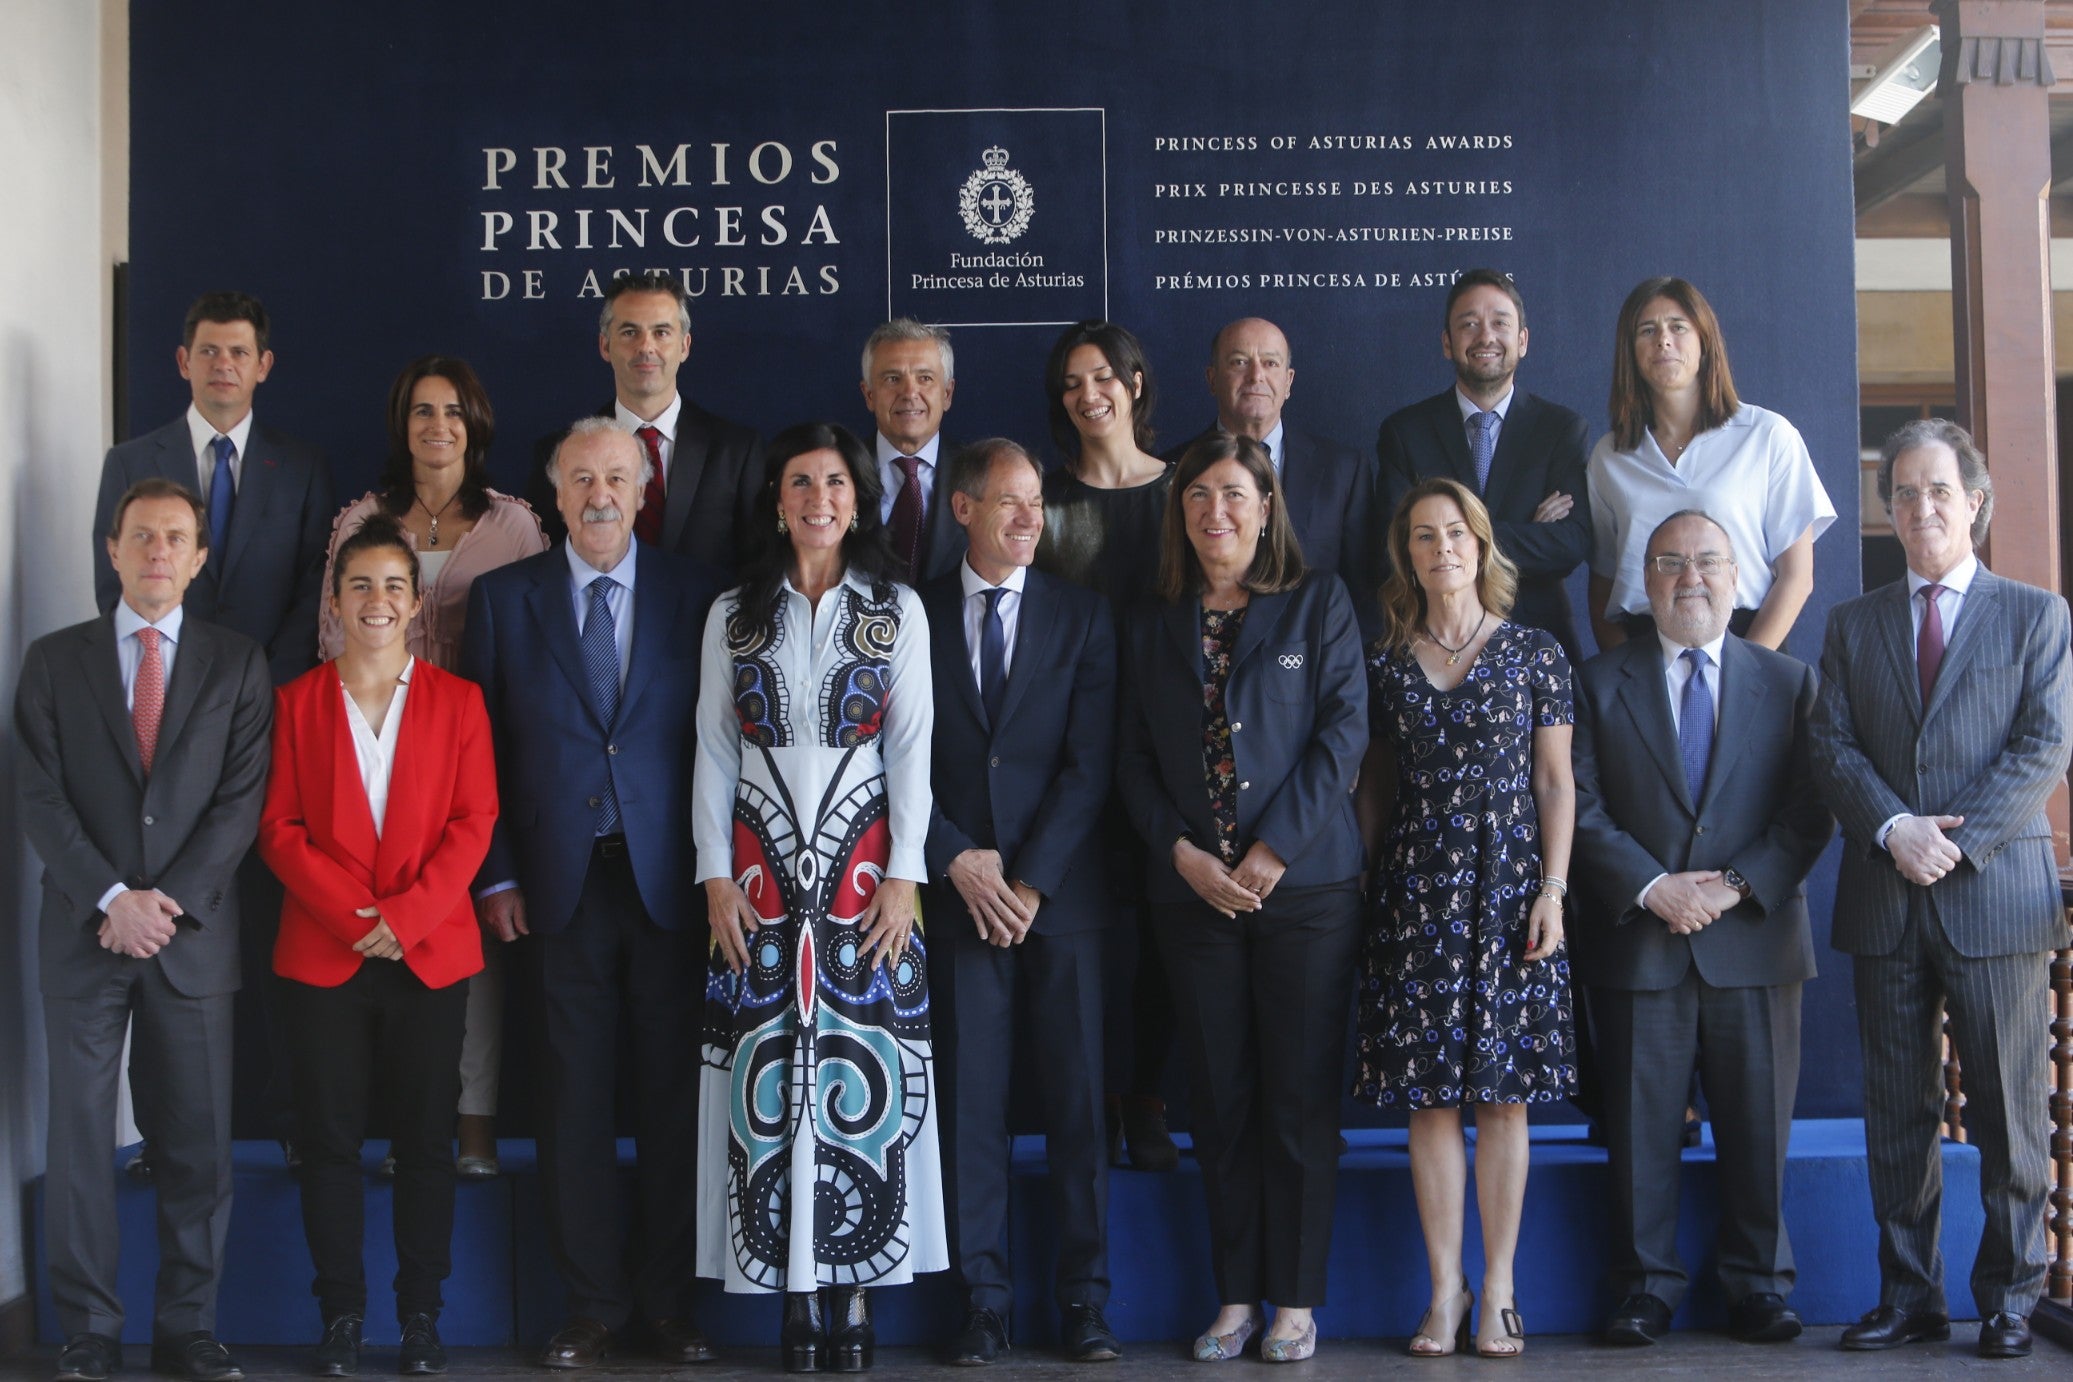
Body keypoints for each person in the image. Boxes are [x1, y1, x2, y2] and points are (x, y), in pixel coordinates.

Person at [460, 418, 725, 1370]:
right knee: (569, 1104)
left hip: (670, 888)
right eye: (582, 478)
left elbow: (722, 747)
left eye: (617, 476)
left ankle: (666, 1305)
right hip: (551, 886)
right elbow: (474, 748)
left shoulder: (699, 596)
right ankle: (589, 1307)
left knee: (671, 1105)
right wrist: (493, 872)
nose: (601, 494)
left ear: (642, 488)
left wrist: (718, 874)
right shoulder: (502, 600)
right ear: (556, 490)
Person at [1809, 419, 2072, 1362]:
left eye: (1937, 492)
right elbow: (1829, 747)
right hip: (1885, 897)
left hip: (1995, 900)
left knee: (2009, 1115)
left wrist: (1949, 846)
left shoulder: (2034, 615)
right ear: (1888, 512)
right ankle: (1908, 1293)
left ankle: (2009, 1297)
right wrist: (1892, 829)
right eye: (1903, 493)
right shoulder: (1853, 622)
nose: (1920, 507)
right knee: (1897, 1112)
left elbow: (2043, 747)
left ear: (1975, 505)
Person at [693, 422, 946, 1372]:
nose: (818, 498)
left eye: (835, 481)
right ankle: (789, 1298)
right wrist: (713, 872)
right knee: (771, 1082)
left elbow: (913, 746)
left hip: (864, 871)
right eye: (800, 481)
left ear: (858, 496)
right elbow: (714, 747)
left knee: (856, 1076)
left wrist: (906, 877)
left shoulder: (896, 607)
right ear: (776, 498)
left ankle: (851, 1295)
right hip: (759, 867)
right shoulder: (733, 612)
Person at [1115, 433, 1366, 1364]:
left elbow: (1344, 735)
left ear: (1266, 507)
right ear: (1178, 514)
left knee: (1298, 1103)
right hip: (1193, 895)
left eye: (1233, 495)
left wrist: (1271, 852)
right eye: (1196, 498)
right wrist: (1181, 855)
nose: (1214, 513)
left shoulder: (1318, 601)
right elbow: (1129, 760)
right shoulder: (1151, 617)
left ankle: (1295, 1301)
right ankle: (1233, 1298)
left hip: (1303, 892)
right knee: (1218, 1101)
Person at [20, 478, 272, 1382]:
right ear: (113, 550)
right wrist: (111, 898)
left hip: (190, 939)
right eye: (141, 537)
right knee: (82, 1143)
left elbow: (240, 803)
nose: (158, 551)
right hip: (86, 936)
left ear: (199, 559)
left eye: (176, 537)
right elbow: (40, 797)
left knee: (197, 1145)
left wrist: (162, 905)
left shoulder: (239, 664)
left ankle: (187, 1327)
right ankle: (88, 1330)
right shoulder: (54, 661)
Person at [1570, 510, 1833, 1348]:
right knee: (1640, 1134)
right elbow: (1574, 803)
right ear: (1643, 581)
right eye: (1671, 562)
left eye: (1709, 562)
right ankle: (1643, 1288)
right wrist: (1650, 887)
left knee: (1759, 1130)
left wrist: (1732, 886)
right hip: (1638, 940)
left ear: (1739, 578)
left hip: (1752, 940)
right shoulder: (1595, 681)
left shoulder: (1788, 682)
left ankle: (1758, 1286)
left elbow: (1808, 811)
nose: (1691, 577)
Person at [91, 290, 334, 1173]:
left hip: (266, 727)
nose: (224, 365)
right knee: (172, 938)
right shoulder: (131, 460)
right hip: (160, 740)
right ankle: (166, 1138)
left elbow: (315, 594)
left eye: (240, 352)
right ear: (181, 361)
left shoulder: (301, 467)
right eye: (209, 351)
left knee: (270, 930)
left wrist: (247, 697)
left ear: (263, 366)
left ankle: (280, 1123)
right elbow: (111, 588)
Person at [260, 515, 498, 1377]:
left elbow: (475, 824)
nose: (377, 600)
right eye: (360, 584)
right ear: (334, 601)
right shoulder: (292, 704)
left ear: (416, 601)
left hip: (429, 954)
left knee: (427, 1141)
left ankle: (422, 1317)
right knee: (329, 1143)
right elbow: (279, 830)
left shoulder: (459, 702)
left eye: (394, 585)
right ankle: (343, 1318)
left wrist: (408, 917)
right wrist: (360, 917)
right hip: (324, 958)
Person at [1354, 476, 1574, 1359]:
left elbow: (1555, 783)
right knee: (1429, 1105)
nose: (1439, 548)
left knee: (1503, 1100)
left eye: (1453, 533)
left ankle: (1503, 1290)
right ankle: (1444, 1290)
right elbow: (1372, 787)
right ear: (1404, 553)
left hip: (1511, 891)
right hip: (1415, 892)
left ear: (1480, 546)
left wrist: (1552, 889)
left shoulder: (1534, 653)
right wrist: (1375, 884)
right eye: (1420, 535)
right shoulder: (1382, 661)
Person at [317, 355, 547, 1178]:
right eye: (421, 411)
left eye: (453, 411)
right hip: (378, 757)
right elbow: (328, 643)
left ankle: (475, 1124)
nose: (437, 425)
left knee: (466, 939)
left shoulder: (515, 525)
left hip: (479, 752)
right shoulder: (361, 520)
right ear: (401, 424)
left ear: (474, 424)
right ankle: (407, 1132)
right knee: (382, 936)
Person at [920, 439, 1120, 1365]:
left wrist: (1030, 878)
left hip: (1060, 903)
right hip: (958, 902)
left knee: (1079, 1107)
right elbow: (892, 766)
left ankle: (1083, 1302)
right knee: (970, 1112)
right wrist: (958, 859)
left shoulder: (1082, 616)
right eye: (1008, 503)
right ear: (963, 509)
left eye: (1036, 503)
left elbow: (1090, 765)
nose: (1029, 519)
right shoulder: (911, 615)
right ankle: (983, 1302)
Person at [1034, 318, 1180, 1173]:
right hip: (1074, 749)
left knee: (1163, 935)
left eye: (1102, 377)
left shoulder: (1184, 490)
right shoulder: (1046, 505)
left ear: (1133, 383)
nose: (1088, 394)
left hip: (1167, 744)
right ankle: (1094, 1100)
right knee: (1091, 937)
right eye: (1071, 384)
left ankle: (1151, 1099)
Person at [1586, 276, 1835, 654]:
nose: (1663, 340)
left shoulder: (1766, 435)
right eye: (1647, 330)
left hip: (1749, 644)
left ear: (1705, 340)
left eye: (1678, 327)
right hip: (1645, 654)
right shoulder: (1610, 455)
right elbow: (1602, 586)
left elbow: (1797, 577)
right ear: (1630, 351)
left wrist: (1746, 675)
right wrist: (1629, 681)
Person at [1376, 270, 1592, 665]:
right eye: (1469, 324)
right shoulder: (1405, 433)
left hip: (1538, 645)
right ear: (1447, 342)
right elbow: (1397, 544)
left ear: (1522, 340)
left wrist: (1447, 541)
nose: (1485, 336)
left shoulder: (1561, 429)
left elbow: (1571, 544)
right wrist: (1525, 532)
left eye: (1499, 323)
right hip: (1436, 646)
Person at [526, 270, 764, 572]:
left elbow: (756, 568)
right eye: (629, 332)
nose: (646, 347)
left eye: (661, 332)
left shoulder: (737, 452)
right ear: (604, 345)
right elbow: (545, 571)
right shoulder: (561, 452)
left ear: (684, 346)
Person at [1167, 317, 1380, 636]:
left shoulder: (1343, 470)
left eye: (1270, 363)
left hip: (1313, 667)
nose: (1256, 376)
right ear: (1212, 379)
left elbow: (1364, 595)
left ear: (1288, 381)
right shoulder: (1170, 470)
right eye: (1239, 362)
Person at [860, 319, 967, 585]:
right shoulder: (838, 471)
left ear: (947, 393)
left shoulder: (979, 474)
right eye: (892, 378)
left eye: (925, 378)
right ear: (869, 395)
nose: (909, 392)